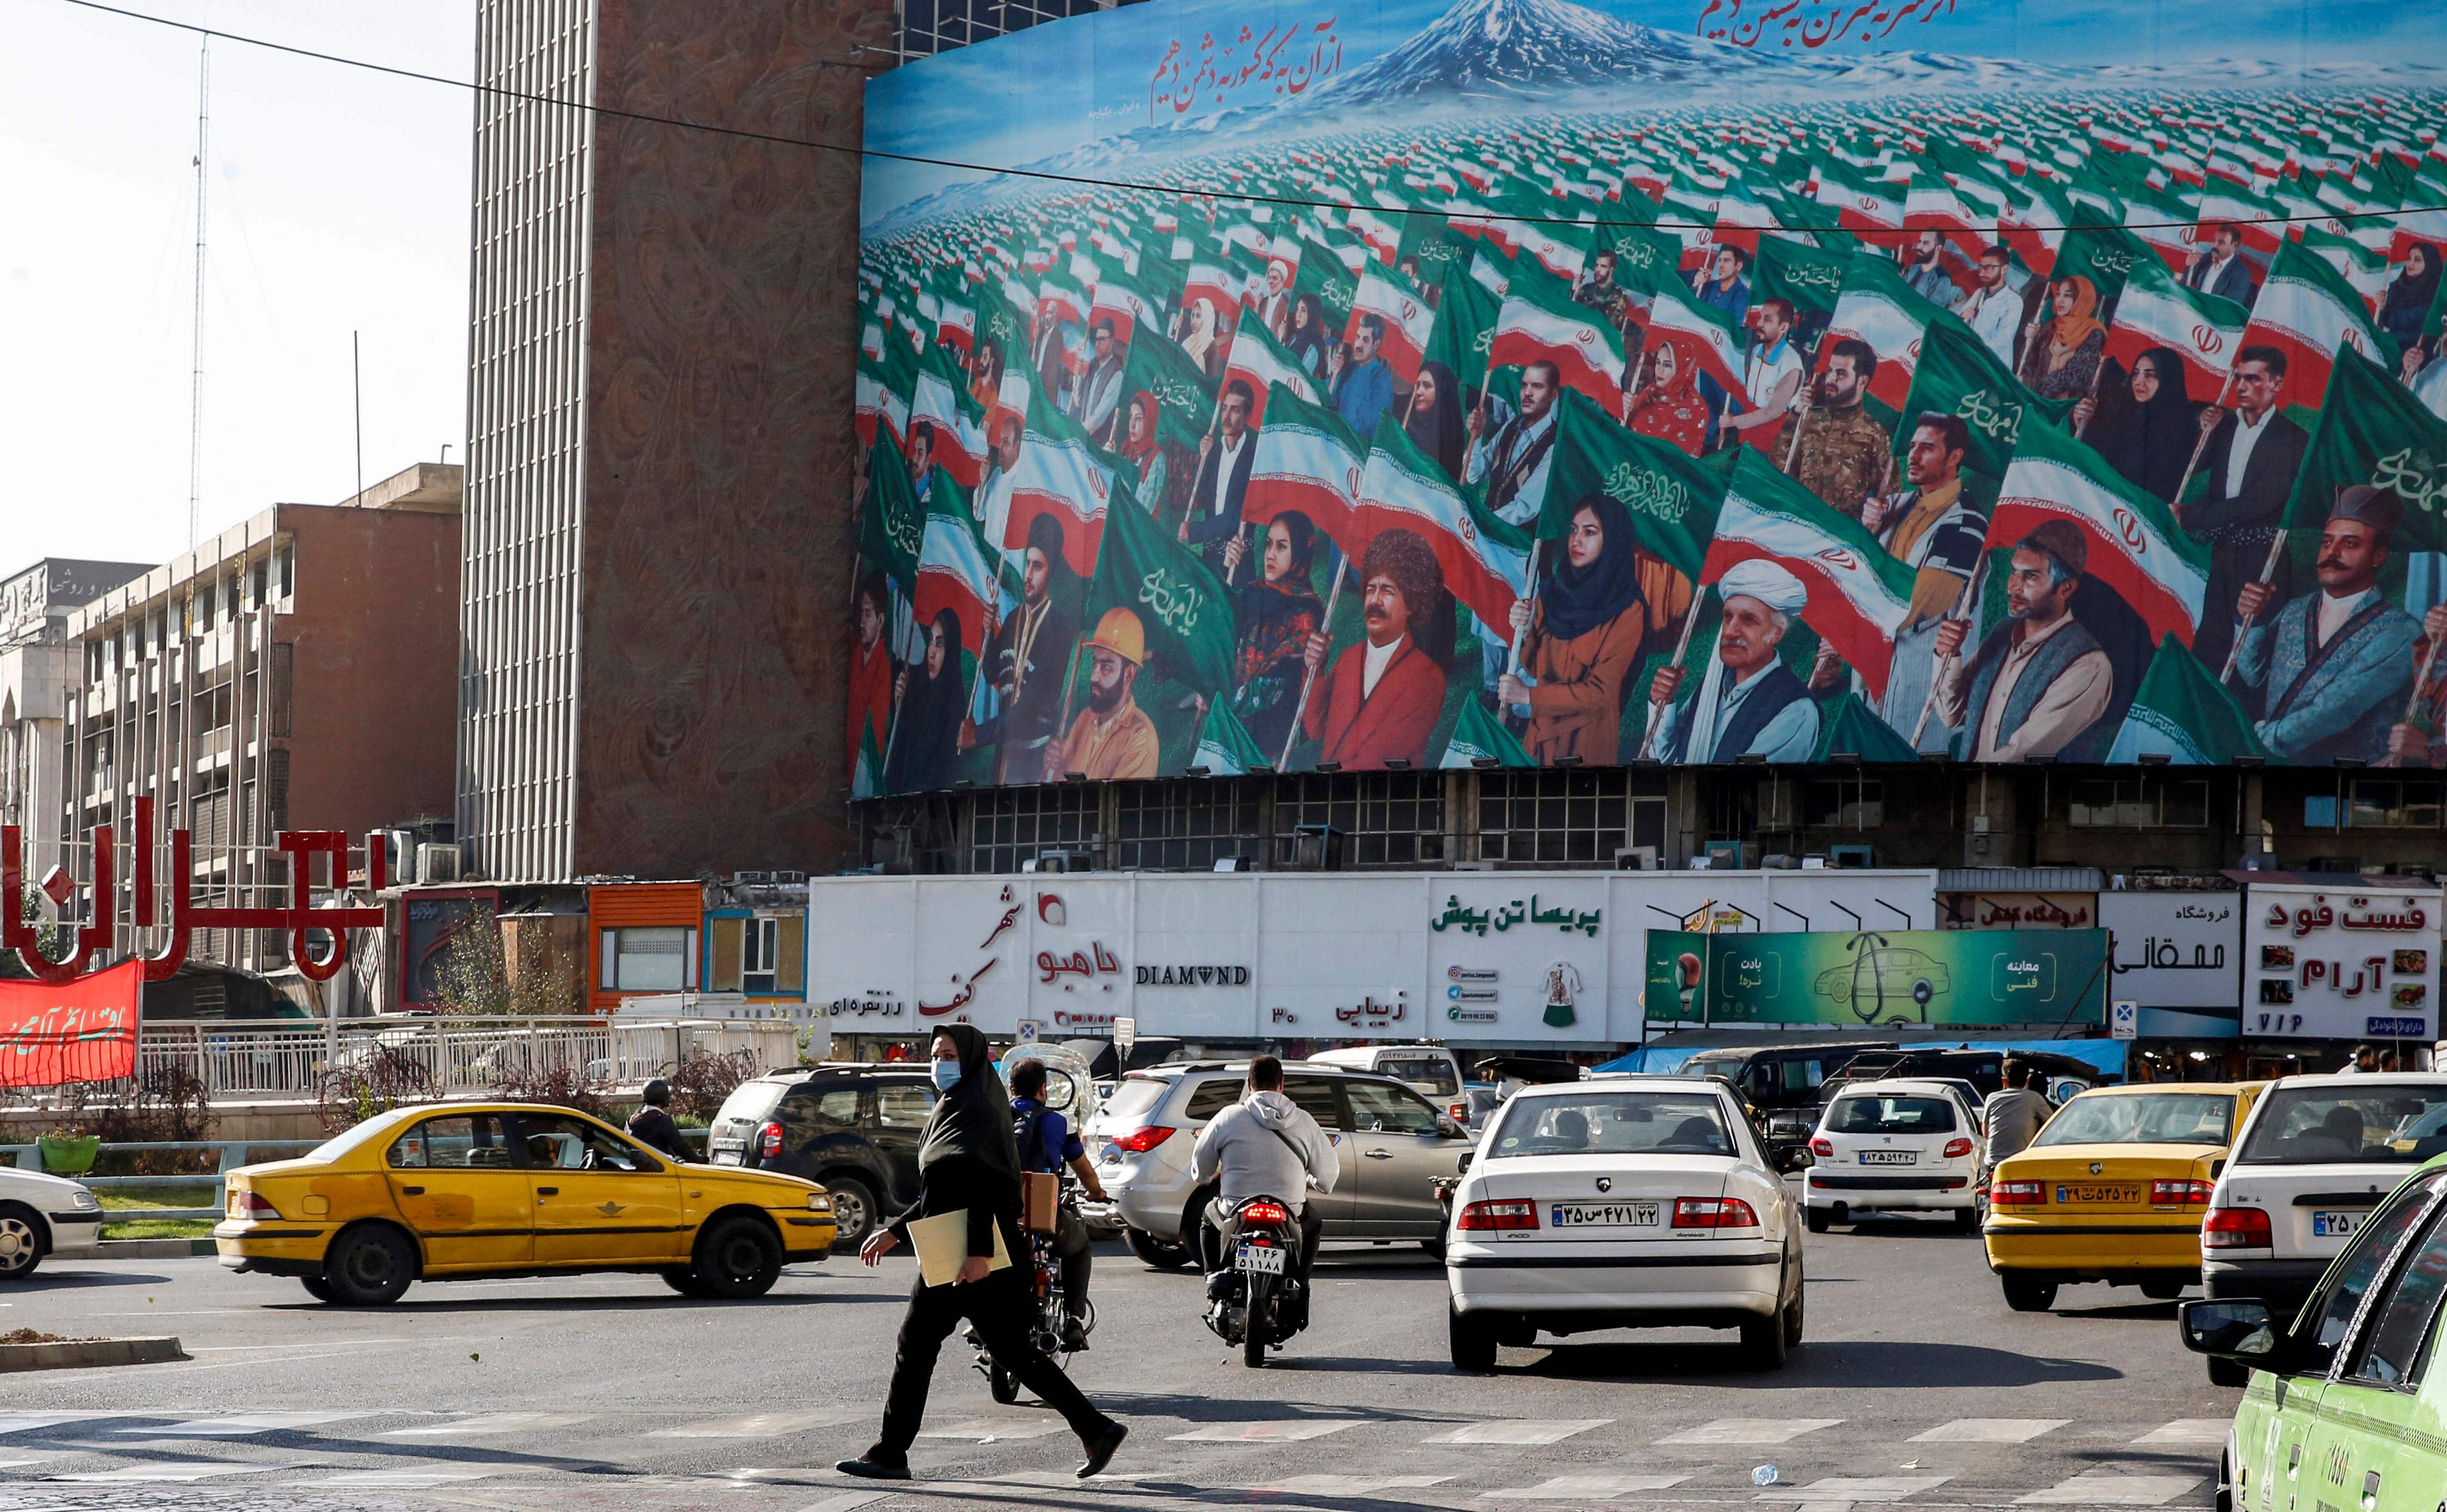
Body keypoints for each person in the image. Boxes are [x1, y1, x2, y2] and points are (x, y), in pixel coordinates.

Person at [838, 1026, 1127, 1483]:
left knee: (923, 1347)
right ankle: (1096, 1428)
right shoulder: (953, 1108)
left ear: (971, 1059)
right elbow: (944, 1189)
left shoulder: (978, 1111)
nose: (941, 1062)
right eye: (936, 1054)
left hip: (971, 1251)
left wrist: (975, 1255)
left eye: (950, 1053)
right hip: (955, 1244)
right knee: (1008, 1352)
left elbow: (984, 1188)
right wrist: (895, 1231)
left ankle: (891, 1453)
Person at [2234, 485, 2421, 763]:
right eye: (2326, 542)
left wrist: (2255, 741)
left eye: (2350, 544)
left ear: (2378, 556)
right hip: (2281, 774)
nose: (2331, 553)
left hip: (2352, 781)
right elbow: (2253, 675)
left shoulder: (2400, 630)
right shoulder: (2296, 609)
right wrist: (2252, 619)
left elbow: (2337, 709)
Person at [1850, 414, 1988, 748]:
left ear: (1954, 457)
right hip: (1872, 677)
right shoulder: (1892, 506)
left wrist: (1851, 624)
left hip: (1919, 684)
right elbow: (1854, 571)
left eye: (1927, 448)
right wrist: (1865, 532)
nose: (1912, 456)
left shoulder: (1967, 524)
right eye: (1912, 446)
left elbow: (1922, 605)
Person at [1932, 522, 2116, 762]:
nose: (2013, 586)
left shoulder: (2088, 664)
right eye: (2014, 572)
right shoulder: (2002, 633)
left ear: (2066, 588)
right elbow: (1952, 715)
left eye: (2030, 576)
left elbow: (2022, 755)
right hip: (1976, 789)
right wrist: (1949, 654)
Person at [2186, 346, 2310, 679]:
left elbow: (2259, 503)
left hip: (2263, 556)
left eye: (2252, 379)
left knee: (2248, 652)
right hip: (2222, 551)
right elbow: (2192, 466)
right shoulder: (2224, 427)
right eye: (2239, 378)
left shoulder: (2295, 439)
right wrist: (2203, 431)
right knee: (2211, 637)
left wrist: (2192, 517)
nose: (2241, 386)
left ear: (2276, 385)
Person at [1498, 494, 1647, 765]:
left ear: (1612, 540)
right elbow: (1534, 667)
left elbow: (1600, 693)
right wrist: (1527, 629)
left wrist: (1528, 696)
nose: (1576, 540)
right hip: (1540, 733)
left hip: (1586, 741)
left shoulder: (1629, 609)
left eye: (1590, 532)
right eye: (1574, 530)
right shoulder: (1553, 590)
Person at [1188, 1054, 1338, 1321]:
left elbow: (1200, 1171)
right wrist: (1313, 1181)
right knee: (1314, 1223)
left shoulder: (1228, 1117)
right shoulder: (1305, 1122)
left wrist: (1210, 1174)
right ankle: (1301, 1287)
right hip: (1288, 1211)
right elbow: (1328, 1178)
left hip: (1235, 1209)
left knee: (1207, 1219)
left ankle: (1213, 1286)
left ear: (1249, 1084)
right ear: (1282, 1085)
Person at [1298, 527, 1452, 769]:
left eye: (1387, 591)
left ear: (1411, 604)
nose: (1375, 601)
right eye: (1371, 589)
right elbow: (1316, 728)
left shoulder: (1428, 677)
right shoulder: (1349, 658)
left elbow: (1376, 755)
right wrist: (1314, 669)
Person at [1651, 558, 1820, 763]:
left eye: (1749, 619)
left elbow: (1749, 788)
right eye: (1727, 616)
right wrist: (1664, 702)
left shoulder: (1796, 709)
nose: (1730, 631)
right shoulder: (1714, 684)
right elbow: (1664, 761)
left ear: (1777, 633)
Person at [1008, 1058, 1106, 1352]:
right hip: (1043, 1211)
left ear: (1011, 1088)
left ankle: (977, 1317)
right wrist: (1098, 1193)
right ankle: (1074, 1321)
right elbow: (1085, 1171)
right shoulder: (1059, 1123)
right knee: (1080, 1247)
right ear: (1043, 1089)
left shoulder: (996, 1118)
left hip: (1002, 1212)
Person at [972, 515, 1078, 786]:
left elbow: (1031, 703)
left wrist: (979, 735)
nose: (1028, 576)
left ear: (1051, 571)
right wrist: (987, 633)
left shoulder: (1059, 628)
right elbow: (991, 673)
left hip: (1034, 753)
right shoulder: (1012, 619)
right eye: (1027, 564)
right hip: (1004, 747)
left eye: (1038, 567)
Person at [1220, 512, 1329, 757]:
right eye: (1268, 544)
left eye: (1282, 547)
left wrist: (1218, 696)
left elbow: (1273, 686)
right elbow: (1222, 628)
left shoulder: (1306, 612)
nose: (1270, 554)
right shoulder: (1255, 590)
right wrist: (1227, 567)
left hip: (1272, 738)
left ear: (1300, 551)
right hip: (1235, 723)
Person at [1778, 338, 1891, 519]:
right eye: (1830, 371)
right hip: (1796, 520)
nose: (1831, 379)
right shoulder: (1808, 418)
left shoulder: (1876, 434)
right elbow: (1779, 466)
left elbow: (1887, 495)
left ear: (1862, 381)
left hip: (1838, 535)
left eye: (1841, 374)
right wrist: (1797, 413)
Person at [2076, 346, 2199, 504]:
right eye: (2136, 373)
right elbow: (2092, 455)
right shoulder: (2124, 410)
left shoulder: (2181, 427)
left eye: (2150, 375)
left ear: (2169, 379)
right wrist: (2082, 422)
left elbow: (2161, 486)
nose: (2139, 381)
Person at [1464, 360, 1560, 524]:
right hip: (1490, 531)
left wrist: (1481, 524)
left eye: (1537, 386)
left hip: (1517, 542)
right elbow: (1474, 475)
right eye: (1524, 385)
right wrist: (1478, 436)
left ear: (1553, 395)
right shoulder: (1512, 425)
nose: (1527, 393)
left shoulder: (1555, 444)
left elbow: (1524, 508)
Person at [885, 610, 967, 794]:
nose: (932, 652)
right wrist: (900, 708)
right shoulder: (918, 689)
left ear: (951, 650)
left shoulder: (955, 705)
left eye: (940, 644)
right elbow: (899, 753)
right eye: (930, 640)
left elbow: (939, 769)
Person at [1184, 381, 1258, 578]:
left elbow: (1237, 516)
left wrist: (1194, 532)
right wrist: (1203, 458)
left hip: (1238, 558)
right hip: (1211, 556)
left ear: (1247, 417)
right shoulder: (1214, 451)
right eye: (1224, 409)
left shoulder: (1254, 458)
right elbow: (1198, 495)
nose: (1226, 417)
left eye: (1234, 410)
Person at [1720, 297, 1807, 449]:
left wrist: (1735, 422)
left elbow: (1772, 412)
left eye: (1767, 320)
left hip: (1770, 440)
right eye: (1760, 317)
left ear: (1784, 327)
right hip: (1748, 432)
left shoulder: (1790, 363)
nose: (1759, 324)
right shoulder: (1757, 351)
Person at [2021, 275, 2105, 401]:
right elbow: (2029, 363)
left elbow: (2079, 376)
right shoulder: (2051, 327)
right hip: (2034, 399)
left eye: (2067, 295)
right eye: (2059, 294)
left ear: (2082, 299)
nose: (2060, 300)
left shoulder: (2092, 332)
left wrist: (2035, 384)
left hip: (2062, 407)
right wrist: (2030, 339)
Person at [848, 575, 896, 789]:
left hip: (863, 775)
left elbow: (876, 732)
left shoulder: (883, 666)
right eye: (861, 613)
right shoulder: (856, 653)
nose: (862, 621)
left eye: (867, 614)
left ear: (881, 619)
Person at [1624, 337, 1710, 455]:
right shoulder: (1650, 394)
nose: (1659, 370)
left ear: (1683, 369)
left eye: (1668, 365)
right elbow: (1624, 431)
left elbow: (1686, 463)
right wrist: (1624, 410)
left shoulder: (1697, 409)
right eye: (1658, 362)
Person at [1328, 315, 1398, 438]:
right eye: (1358, 337)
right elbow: (1329, 402)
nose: (1358, 344)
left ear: (1376, 344)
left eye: (1365, 340)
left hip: (1357, 448)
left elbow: (1375, 427)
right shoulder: (1349, 368)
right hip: (1335, 437)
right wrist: (1335, 374)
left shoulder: (1382, 379)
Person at [1980, 1060, 2053, 1169]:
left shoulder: (1992, 1098)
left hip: (1993, 1162)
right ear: (2026, 1082)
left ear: (2004, 1081)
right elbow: (2053, 1124)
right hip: (2022, 1162)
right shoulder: (2034, 1098)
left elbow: (1986, 1131)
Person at [1959, 244, 2021, 368]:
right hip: (1970, 361)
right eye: (1981, 267)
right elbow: (1959, 323)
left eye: (1988, 268)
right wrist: (1962, 317)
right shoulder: (1979, 294)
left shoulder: (2013, 301)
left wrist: (1972, 345)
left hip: (1993, 367)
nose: (1982, 273)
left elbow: (2002, 341)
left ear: (2004, 269)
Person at [1116, 390, 1174, 523]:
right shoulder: (1126, 449)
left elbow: (1143, 508)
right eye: (1131, 417)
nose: (1132, 425)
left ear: (1149, 420)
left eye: (1138, 419)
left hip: (1139, 531)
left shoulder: (1157, 459)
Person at [1404, 359, 1467, 479]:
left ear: (1442, 391)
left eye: (1427, 386)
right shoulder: (1404, 427)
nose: (1419, 392)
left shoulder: (1450, 434)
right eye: (1418, 385)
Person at [2380, 244, 2442, 356]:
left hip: (2416, 358)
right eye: (2409, 258)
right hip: (2388, 350)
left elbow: (2425, 335)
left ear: (2430, 264)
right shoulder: (2396, 287)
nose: (2410, 263)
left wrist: (2387, 338)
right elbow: (2386, 322)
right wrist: (2381, 307)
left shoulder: (2437, 296)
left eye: (2417, 260)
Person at [1069, 319, 1126, 441]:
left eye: (1102, 340)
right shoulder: (1093, 365)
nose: (1097, 344)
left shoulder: (1116, 373)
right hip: (1084, 438)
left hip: (1098, 442)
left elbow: (1100, 417)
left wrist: (1078, 435)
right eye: (1097, 339)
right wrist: (1078, 376)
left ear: (1111, 342)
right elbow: (1078, 401)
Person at [2185, 223, 2258, 309]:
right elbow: (2189, 281)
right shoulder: (2206, 258)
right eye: (2214, 240)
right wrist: (2190, 266)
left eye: (2221, 242)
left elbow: (2231, 306)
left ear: (2234, 245)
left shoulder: (2241, 273)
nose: (2215, 245)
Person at [626, 1079, 691, 1162]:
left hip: (636, 1169)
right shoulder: (662, 1120)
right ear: (664, 1097)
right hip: (660, 1170)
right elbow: (680, 1147)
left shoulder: (632, 1119)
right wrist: (700, 1160)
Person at [1901, 230, 1962, 310]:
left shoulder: (1943, 279)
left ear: (1938, 248)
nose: (1919, 247)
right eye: (1920, 242)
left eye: (1926, 243)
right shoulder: (1913, 268)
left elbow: (1933, 312)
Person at [1573, 249, 1626, 323]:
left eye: (1603, 266)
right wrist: (1575, 290)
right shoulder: (1586, 288)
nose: (1598, 270)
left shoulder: (1618, 295)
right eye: (1597, 265)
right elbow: (1572, 311)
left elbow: (1610, 323)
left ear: (1611, 270)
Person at [1285, 293, 1330, 376]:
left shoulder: (1314, 347)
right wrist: (1281, 338)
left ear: (1312, 314)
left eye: (1303, 310)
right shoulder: (1295, 337)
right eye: (1298, 309)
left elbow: (1301, 379)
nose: (1298, 315)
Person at [1181, 297, 1226, 378]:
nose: (1194, 321)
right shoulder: (1187, 342)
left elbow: (1209, 382)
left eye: (1198, 316)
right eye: (1193, 316)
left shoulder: (1211, 347)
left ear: (1207, 318)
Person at [1257, 258, 1295, 339]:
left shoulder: (1287, 304)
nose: (1271, 281)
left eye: (1274, 278)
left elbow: (1290, 333)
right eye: (1269, 278)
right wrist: (1257, 306)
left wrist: (1284, 333)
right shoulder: (1263, 302)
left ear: (1282, 282)